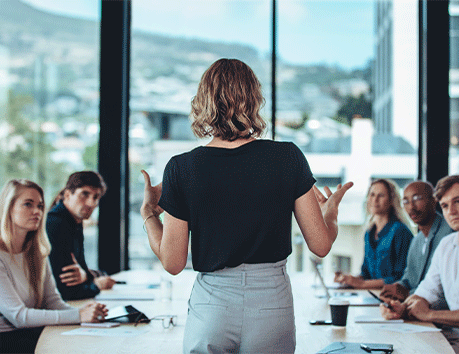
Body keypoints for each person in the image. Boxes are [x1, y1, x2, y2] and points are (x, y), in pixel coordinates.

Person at [140, 58, 353, 354]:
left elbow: (173, 262)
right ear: (253, 100)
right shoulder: (287, 157)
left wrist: (149, 213)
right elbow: (320, 245)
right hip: (271, 304)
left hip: (211, 306)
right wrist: (330, 213)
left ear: (203, 102)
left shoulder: (182, 168)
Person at [0, 179, 107, 354]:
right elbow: (19, 316)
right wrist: (78, 315)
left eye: (40, 206)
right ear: (8, 207)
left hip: (31, 333)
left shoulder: (37, 253)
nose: (37, 212)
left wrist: (86, 313)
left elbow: (53, 302)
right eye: (28, 204)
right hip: (7, 341)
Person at [380, 175, 459, 353]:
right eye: (445, 206)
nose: (451, 211)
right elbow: (426, 291)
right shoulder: (448, 245)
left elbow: (428, 308)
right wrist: (401, 308)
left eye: (458, 201)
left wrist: (428, 314)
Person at [47, 171, 115, 300]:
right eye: (84, 194)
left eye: (96, 197)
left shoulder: (74, 222)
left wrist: (87, 276)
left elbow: (82, 270)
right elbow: (66, 290)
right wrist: (96, 284)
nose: (91, 203)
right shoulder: (56, 224)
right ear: (67, 194)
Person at [380, 181, 453, 302]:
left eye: (417, 198)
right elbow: (408, 279)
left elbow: (445, 289)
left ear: (434, 200)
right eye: (406, 201)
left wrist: (408, 294)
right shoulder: (416, 240)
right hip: (415, 307)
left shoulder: (449, 233)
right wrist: (397, 288)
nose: (411, 207)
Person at [334, 179, 413, 289]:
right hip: (371, 295)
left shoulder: (400, 231)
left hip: (392, 298)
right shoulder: (369, 233)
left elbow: (401, 278)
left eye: (381, 195)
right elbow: (365, 274)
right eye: (372, 195)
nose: (375, 200)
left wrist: (361, 284)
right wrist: (349, 280)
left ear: (391, 200)